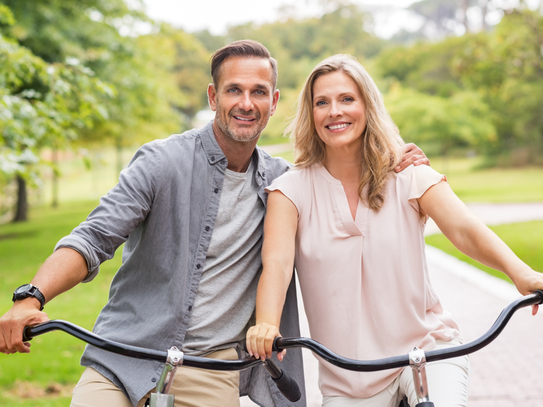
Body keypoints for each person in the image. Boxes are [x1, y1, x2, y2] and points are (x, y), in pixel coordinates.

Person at [0, 42, 428, 407]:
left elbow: (344, 172)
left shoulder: (285, 184)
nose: (246, 103)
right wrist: (31, 297)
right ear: (212, 96)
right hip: (125, 357)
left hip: (212, 369)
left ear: (274, 101)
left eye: (258, 91)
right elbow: (94, 237)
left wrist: (391, 162)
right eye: (234, 90)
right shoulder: (161, 162)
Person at [246, 54, 543, 407]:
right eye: (321, 102)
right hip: (347, 378)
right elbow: (276, 263)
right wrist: (266, 323)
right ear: (310, 115)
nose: (334, 111)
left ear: (367, 105)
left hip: (427, 352)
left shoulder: (408, 172)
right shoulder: (289, 191)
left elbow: (464, 228)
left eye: (347, 99)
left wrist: (521, 274)